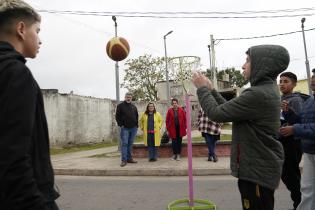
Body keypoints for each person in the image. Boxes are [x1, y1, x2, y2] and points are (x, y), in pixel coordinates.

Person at [192, 45, 289, 210]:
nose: (243, 65)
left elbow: (217, 113)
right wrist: (212, 90)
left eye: (248, 61)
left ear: (262, 65)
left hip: (256, 171)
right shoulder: (264, 90)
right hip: (257, 168)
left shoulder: (258, 94)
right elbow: (229, 109)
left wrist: (201, 89)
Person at [0, 0, 60, 209]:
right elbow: (12, 157)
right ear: (21, 29)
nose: (40, 40)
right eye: (38, 30)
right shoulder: (15, 73)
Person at [280, 68, 315, 210]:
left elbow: (300, 126)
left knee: (295, 179)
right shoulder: (310, 100)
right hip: (309, 151)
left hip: (296, 144)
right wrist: (288, 113)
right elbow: (301, 120)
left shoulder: (298, 99)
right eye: (313, 76)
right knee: (307, 189)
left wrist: (294, 129)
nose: (313, 79)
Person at [279, 72, 305, 210]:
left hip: (292, 143)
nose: (282, 84)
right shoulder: (282, 99)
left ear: (294, 84)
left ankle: (300, 204)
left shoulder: (295, 100)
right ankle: (300, 204)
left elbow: (301, 121)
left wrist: (288, 111)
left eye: (286, 81)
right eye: (280, 81)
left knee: (291, 176)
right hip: (283, 141)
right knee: (287, 175)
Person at [116, 92, 139, 167]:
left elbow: (136, 116)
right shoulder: (120, 106)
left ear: (131, 98)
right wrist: (121, 125)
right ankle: (124, 160)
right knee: (125, 144)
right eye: (127, 97)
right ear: (125, 97)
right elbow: (117, 116)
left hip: (133, 128)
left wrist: (136, 125)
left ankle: (129, 159)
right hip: (125, 128)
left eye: (130, 97)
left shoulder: (134, 106)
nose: (128, 98)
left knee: (130, 144)